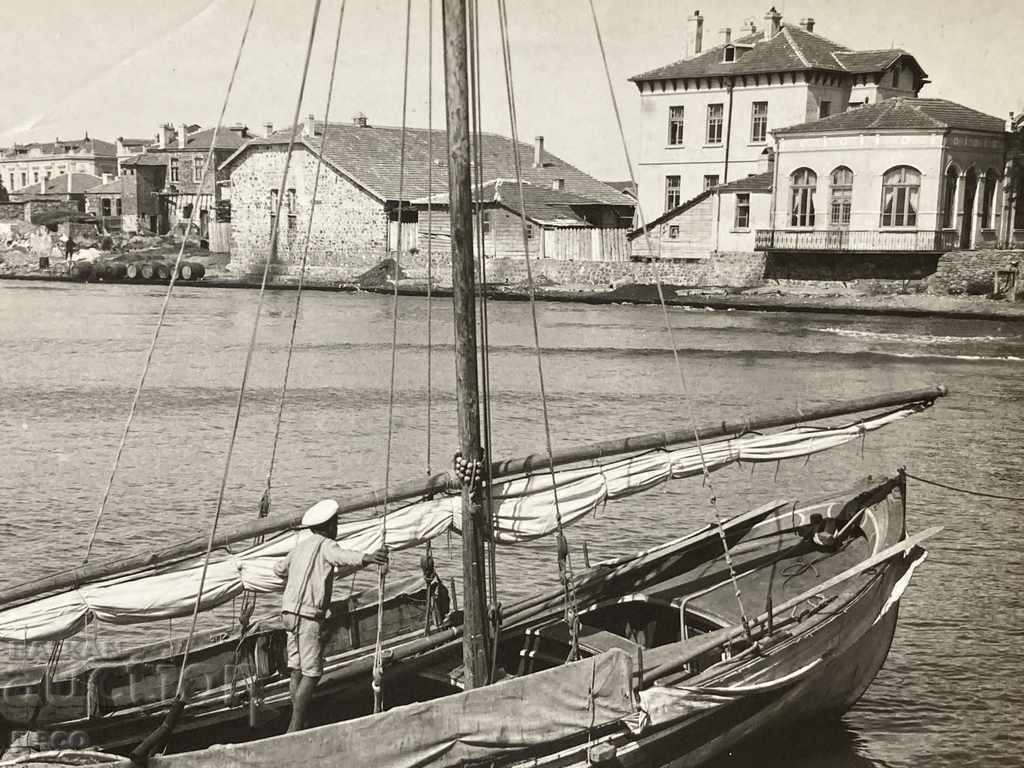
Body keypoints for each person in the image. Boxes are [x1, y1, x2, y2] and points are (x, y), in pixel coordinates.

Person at [273, 499, 388, 732]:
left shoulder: (299, 548)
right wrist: (367, 557)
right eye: (335, 524)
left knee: (296, 669)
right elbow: (342, 556)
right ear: (327, 527)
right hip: (308, 615)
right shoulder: (326, 545)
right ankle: (294, 728)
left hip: (288, 613)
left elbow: (278, 569)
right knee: (312, 674)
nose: (336, 529)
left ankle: (299, 719)